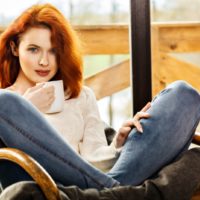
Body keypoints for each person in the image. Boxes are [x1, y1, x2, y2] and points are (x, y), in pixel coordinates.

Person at [0, 3, 200, 191]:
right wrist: (27, 106)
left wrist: (119, 144)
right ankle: (114, 193)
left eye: (53, 51)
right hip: (48, 188)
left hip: (90, 185)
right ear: (14, 48)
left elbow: (94, 158)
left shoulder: (82, 96)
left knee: (183, 95)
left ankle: (107, 193)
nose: (44, 61)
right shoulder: (5, 102)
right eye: (34, 49)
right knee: (5, 103)